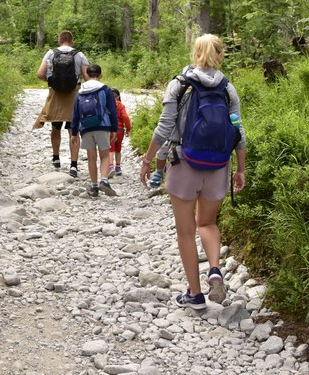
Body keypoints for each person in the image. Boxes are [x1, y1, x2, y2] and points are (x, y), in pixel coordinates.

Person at [139, 34, 246, 310]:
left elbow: (164, 127)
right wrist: (241, 169)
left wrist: (148, 159)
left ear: (194, 53)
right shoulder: (227, 89)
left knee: (186, 231)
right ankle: (214, 270)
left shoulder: (179, 85)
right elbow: (239, 133)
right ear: (220, 55)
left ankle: (195, 295)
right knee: (207, 223)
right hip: (218, 165)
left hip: (184, 162)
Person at [33, 30, 89, 177]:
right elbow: (87, 77)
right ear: (72, 40)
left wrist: (51, 81)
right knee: (73, 130)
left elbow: (40, 74)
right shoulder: (79, 54)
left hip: (56, 94)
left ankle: (56, 158)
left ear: (59, 40)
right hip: (73, 95)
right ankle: (74, 165)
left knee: (55, 127)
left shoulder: (51, 53)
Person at [71, 64, 118, 197]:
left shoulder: (80, 91)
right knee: (104, 156)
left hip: (85, 128)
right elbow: (112, 109)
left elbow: (75, 113)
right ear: (100, 75)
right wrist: (114, 128)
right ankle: (104, 180)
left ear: (86, 75)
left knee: (91, 157)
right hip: (102, 126)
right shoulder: (105, 89)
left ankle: (94, 187)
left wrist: (74, 133)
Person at [107, 88, 131, 176]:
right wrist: (128, 129)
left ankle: (110, 167)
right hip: (120, 130)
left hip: (109, 130)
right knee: (118, 149)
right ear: (118, 97)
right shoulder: (121, 105)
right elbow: (126, 117)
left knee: (110, 149)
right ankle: (118, 167)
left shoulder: (107, 105)